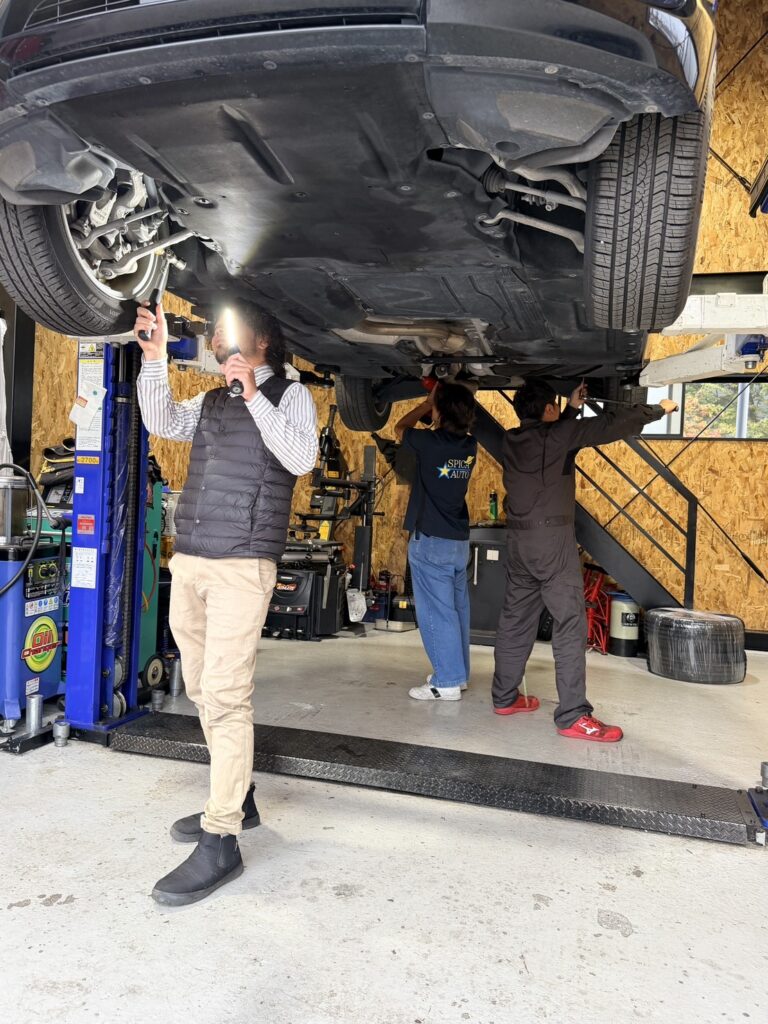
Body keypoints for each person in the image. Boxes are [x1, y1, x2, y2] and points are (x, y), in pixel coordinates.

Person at [134, 299, 318, 904]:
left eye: (227, 329)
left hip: (243, 564)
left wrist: (256, 396)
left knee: (227, 697)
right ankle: (239, 796)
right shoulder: (213, 400)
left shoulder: (290, 394)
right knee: (201, 690)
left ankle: (222, 839)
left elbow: (300, 458)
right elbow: (162, 420)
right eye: (215, 330)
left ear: (261, 341)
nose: (215, 336)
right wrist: (154, 360)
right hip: (191, 559)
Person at [492, 380, 677, 742]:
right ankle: (573, 715)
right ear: (548, 408)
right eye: (555, 405)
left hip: (519, 543)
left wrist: (571, 409)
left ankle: (505, 697)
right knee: (570, 623)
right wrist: (659, 409)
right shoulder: (558, 437)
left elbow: (553, 437)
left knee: (515, 620)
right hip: (552, 544)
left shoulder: (510, 440)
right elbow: (610, 425)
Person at [394, 381, 478, 701]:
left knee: (436, 612)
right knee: (456, 611)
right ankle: (457, 674)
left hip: (432, 542)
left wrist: (427, 404)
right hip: (458, 543)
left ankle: (445, 683)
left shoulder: (428, 442)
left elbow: (399, 428)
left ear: (440, 411)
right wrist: (438, 407)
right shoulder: (470, 446)